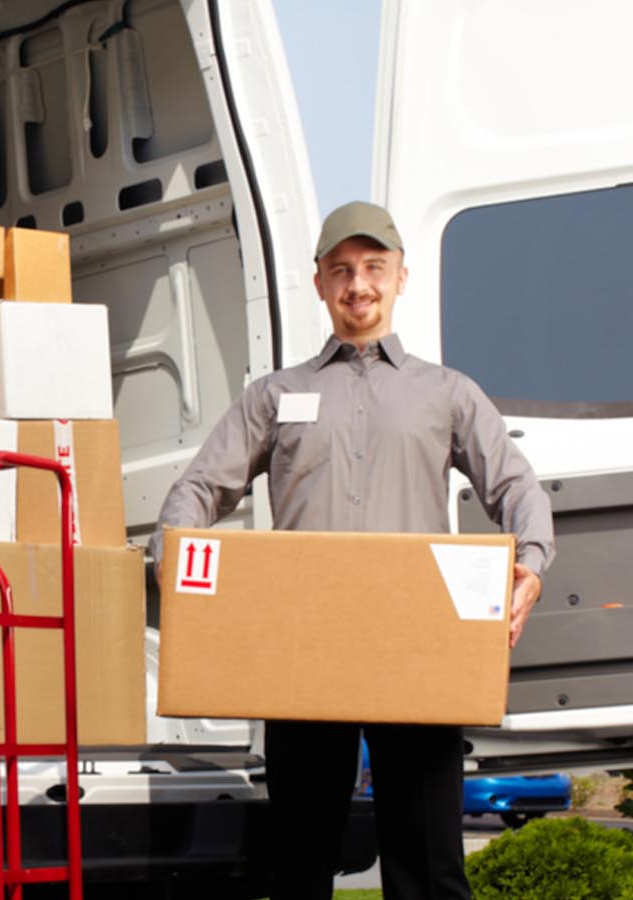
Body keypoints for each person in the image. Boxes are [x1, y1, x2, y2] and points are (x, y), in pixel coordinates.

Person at [153, 201, 553, 900]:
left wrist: (533, 566)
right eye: (340, 270)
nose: (357, 284)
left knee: (428, 867)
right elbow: (196, 491)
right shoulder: (275, 396)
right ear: (319, 283)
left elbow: (516, 486)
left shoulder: (448, 393)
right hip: (302, 652)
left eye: (373, 267)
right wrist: (176, 563)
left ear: (400, 277)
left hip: (417, 649)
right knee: (298, 865)